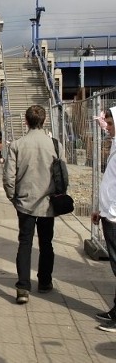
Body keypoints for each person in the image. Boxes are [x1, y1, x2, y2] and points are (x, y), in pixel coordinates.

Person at [2, 105, 58, 304]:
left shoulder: (17, 145)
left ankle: (23, 287)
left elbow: (9, 176)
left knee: (25, 243)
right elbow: (61, 174)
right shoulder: (54, 144)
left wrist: (12, 197)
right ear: (44, 121)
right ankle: (44, 282)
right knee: (46, 243)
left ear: (25, 121)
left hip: (25, 202)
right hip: (48, 202)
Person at [91, 107, 116, 331]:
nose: (106, 126)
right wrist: (101, 208)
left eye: (109, 123)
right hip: (109, 213)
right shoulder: (115, 143)